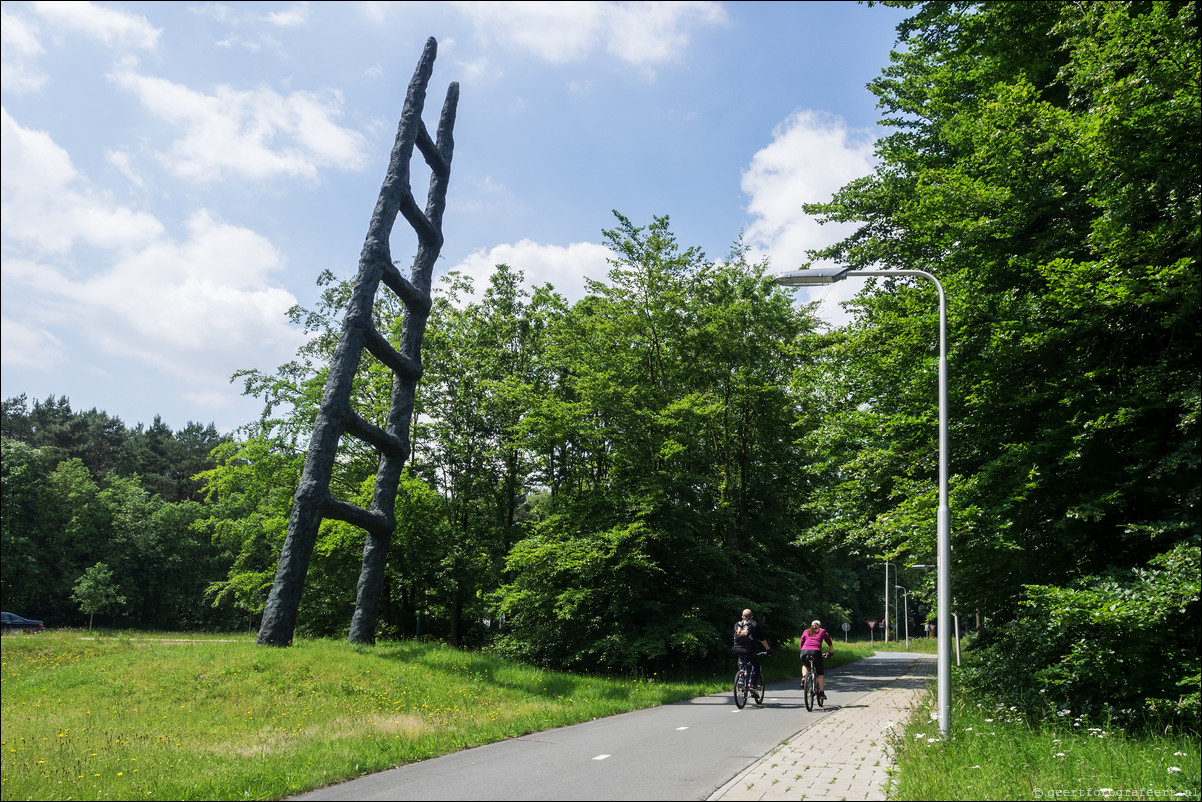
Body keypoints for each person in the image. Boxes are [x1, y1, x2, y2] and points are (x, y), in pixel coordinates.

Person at [732, 608, 772, 696]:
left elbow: (734, 637)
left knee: (741, 659)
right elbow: (762, 639)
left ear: (742, 616)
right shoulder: (754, 624)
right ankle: (752, 686)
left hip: (736, 649)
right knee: (756, 666)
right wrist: (768, 650)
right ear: (752, 617)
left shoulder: (737, 624)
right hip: (749, 650)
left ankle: (741, 677)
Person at [799, 619, 834, 701]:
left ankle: (804, 678)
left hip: (804, 651)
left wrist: (802, 651)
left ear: (811, 625)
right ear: (820, 625)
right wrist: (830, 653)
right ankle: (821, 693)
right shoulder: (822, 631)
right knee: (820, 673)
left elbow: (801, 643)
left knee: (805, 664)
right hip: (816, 652)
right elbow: (829, 643)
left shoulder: (806, 631)